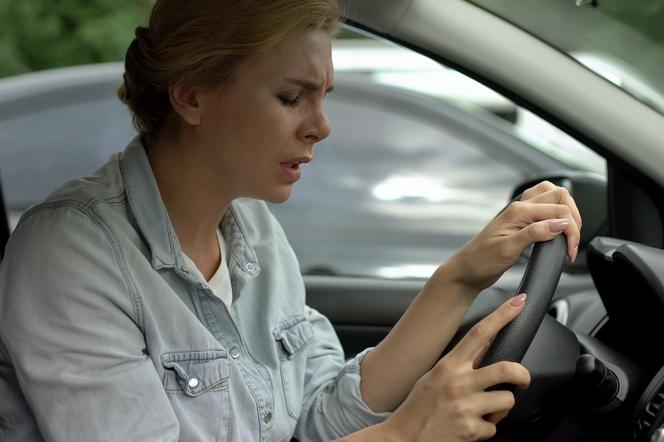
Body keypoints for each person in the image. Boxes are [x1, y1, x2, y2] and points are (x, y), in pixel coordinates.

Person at [0, 0, 582, 441]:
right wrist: (407, 431)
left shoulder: (251, 228)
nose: (321, 126)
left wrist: (461, 277)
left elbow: (319, 420)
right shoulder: (68, 255)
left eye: (323, 95)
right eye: (290, 97)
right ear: (193, 95)